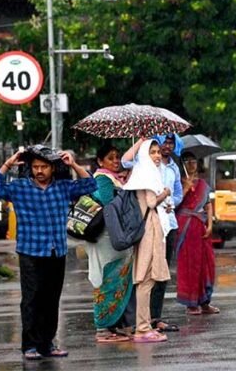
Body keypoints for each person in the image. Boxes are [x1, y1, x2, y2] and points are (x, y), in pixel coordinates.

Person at [0, 146, 96, 360]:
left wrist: (73, 164)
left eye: (44, 167)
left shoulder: (63, 187)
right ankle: (30, 345)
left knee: (51, 299)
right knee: (31, 299)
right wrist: (8, 164)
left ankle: (47, 344)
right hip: (30, 250)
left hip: (56, 250)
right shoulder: (19, 188)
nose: (39, 170)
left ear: (52, 168)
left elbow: (90, 185)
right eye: (35, 167)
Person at [122, 134, 182, 333]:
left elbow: (173, 196)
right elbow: (150, 202)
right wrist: (164, 193)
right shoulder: (145, 173)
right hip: (149, 229)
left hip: (160, 226)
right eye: (153, 152)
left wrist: (168, 201)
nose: (157, 155)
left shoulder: (161, 170)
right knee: (145, 278)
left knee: (153, 277)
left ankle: (149, 322)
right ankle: (142, 327)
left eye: (158, 152)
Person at [84, 144, 133, 343]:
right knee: (105, 280)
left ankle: (112, 325)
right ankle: (102, 328)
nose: (115, 161)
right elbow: (108, 203)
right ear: (100, 161)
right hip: (105, 238)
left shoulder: (116, 178)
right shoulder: (103, 178)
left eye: (117, 157)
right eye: (110, 158)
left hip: (114, 238)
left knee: (117, 281)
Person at [175, 152, 219, 315]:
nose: (191, 164)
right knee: (189, 264)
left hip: (201, 225)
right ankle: (191, 304)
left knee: (207, 263)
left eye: (194, 161)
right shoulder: (177, 182)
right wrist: (186, 188)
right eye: (187, 161)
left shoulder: (202, 184)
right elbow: (174, 203)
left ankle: (205, 302)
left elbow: (208, 204)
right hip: (186, 226)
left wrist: (210, 224)